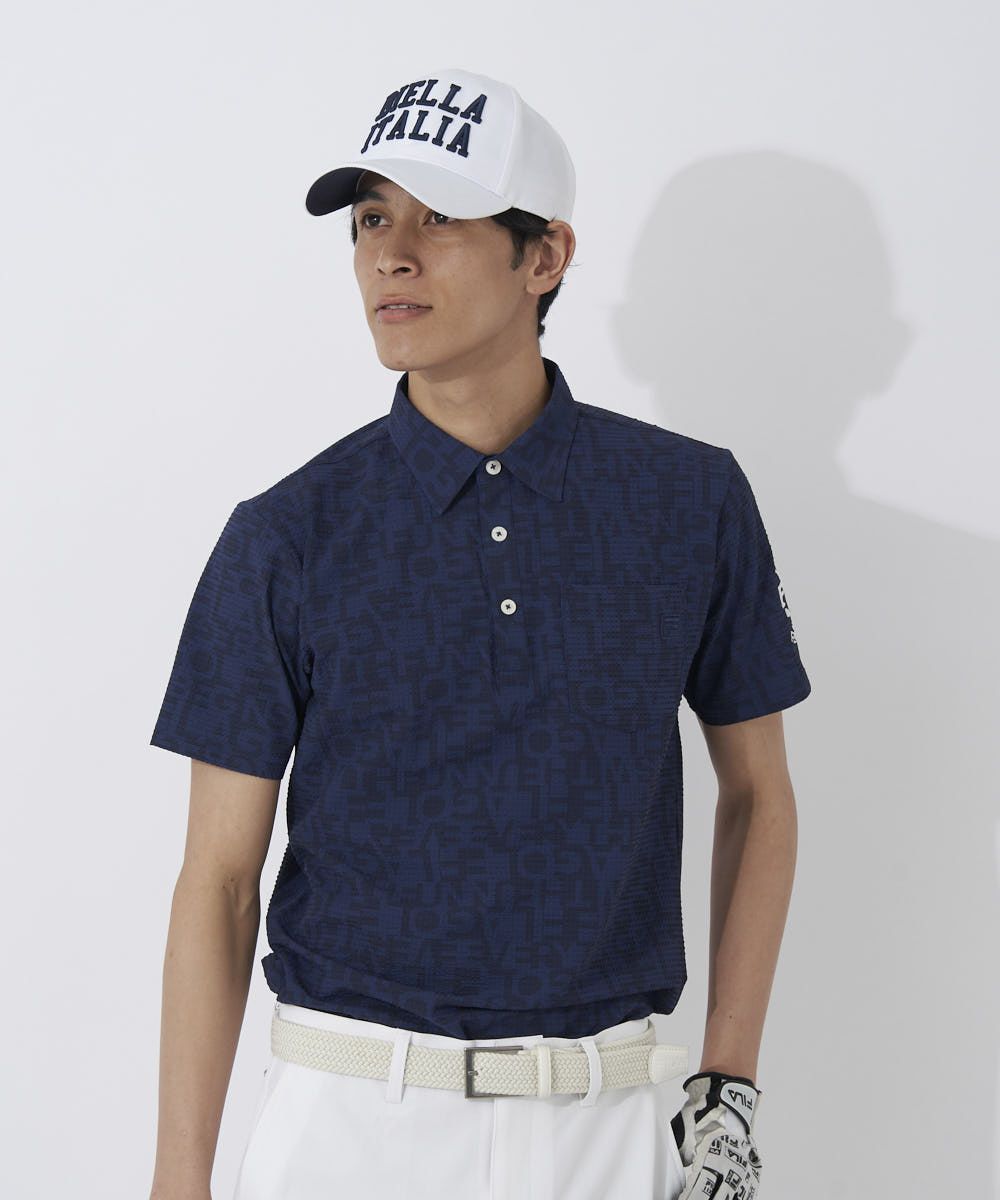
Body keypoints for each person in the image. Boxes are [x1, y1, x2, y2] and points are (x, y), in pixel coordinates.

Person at [147, 66, 809, 1200]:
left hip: (609, 1124)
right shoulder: (288, 534)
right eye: (371, 221)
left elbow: (758, 793)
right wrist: (178, 1180)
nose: (391, 257)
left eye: (440, 219)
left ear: (544, 256)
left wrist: (727, 1089)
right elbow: (217, 881)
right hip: (350, 1127)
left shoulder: (687, 502)